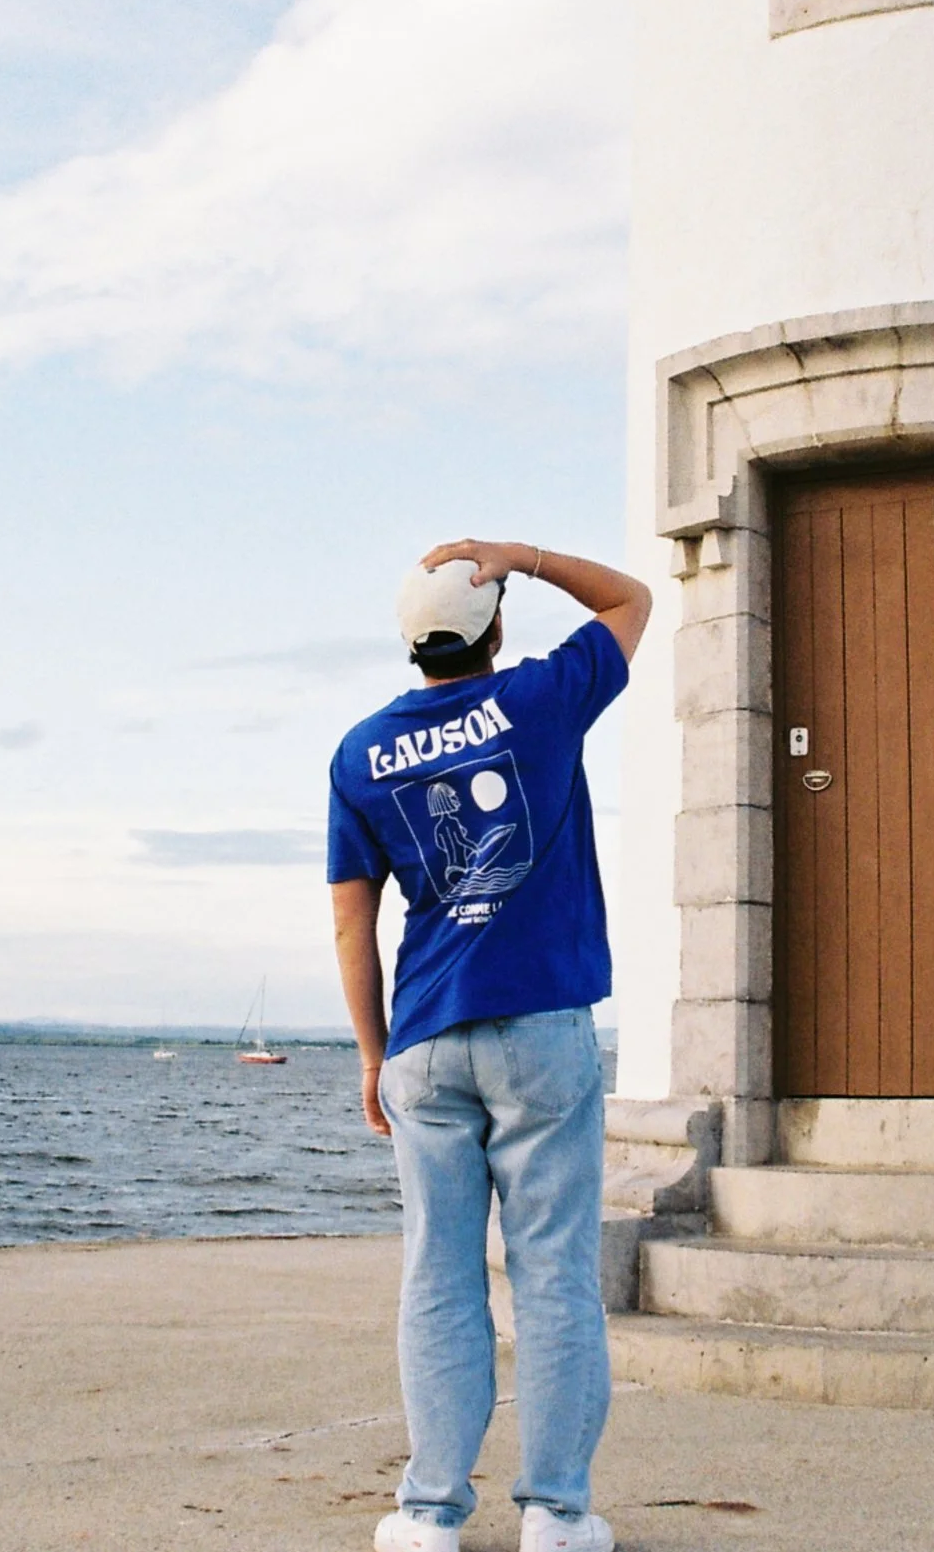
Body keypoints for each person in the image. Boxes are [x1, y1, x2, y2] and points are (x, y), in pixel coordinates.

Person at [328, 538, 652, 1552]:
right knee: (551, 1274)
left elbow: (351, 922)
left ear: (410, 644)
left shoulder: (359, 752)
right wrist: (518, 554)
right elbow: (630, 600)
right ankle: (554, 1513)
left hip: (425, 1035)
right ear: (493, 629)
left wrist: (373, 1055)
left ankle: (427, 1512)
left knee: (438, 1273)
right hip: (539, 1024)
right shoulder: (541, 701)